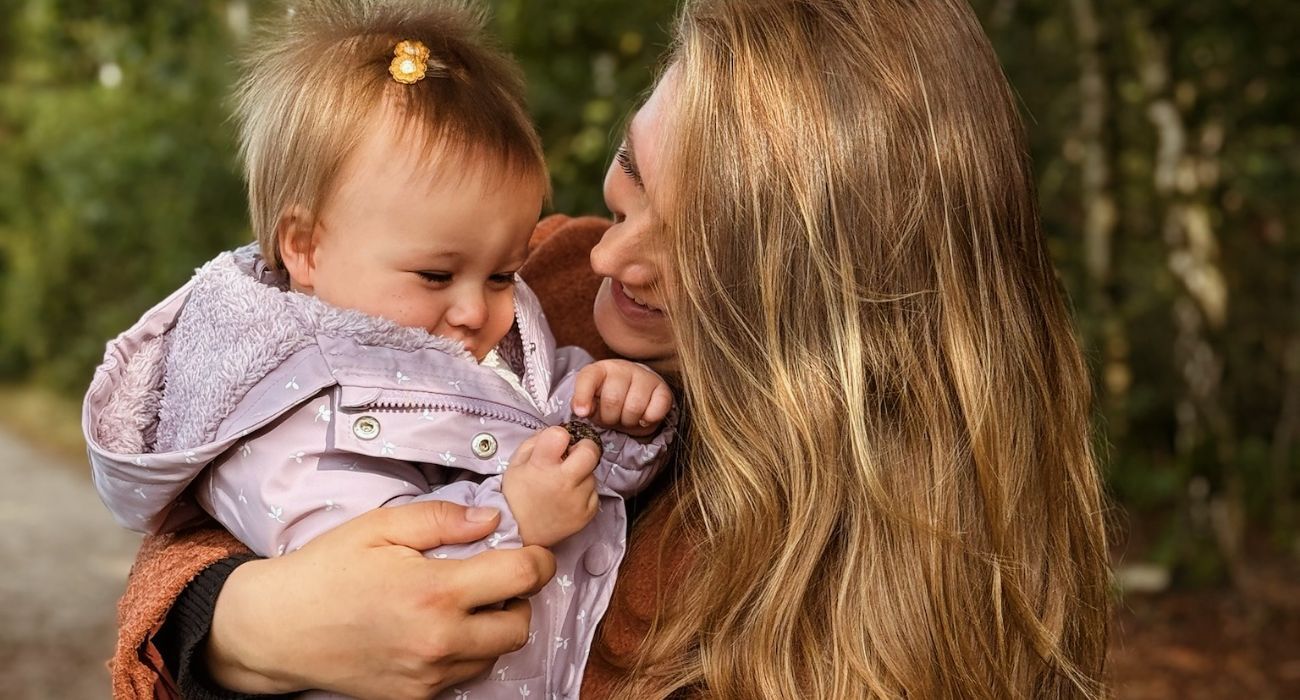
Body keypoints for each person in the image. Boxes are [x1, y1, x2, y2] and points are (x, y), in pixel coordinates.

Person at [104, 0, 1111, 697]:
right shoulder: (533, 277)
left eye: (705, 239)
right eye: (632, 174)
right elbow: (204, 508)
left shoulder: (910, 556)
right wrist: (248, 627)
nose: (618, 253)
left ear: (841, 288)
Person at [82, 2, 674, 698]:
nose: (476, 309)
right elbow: (381, 594)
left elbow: (548, 434)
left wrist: (609, 423)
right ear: (304, 245)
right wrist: (519, 518)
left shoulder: (488, 331)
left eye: (502, 275)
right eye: (435, 275)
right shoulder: (293, 408)